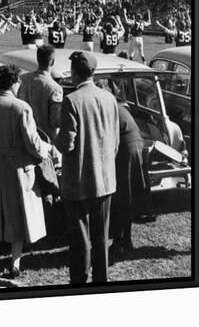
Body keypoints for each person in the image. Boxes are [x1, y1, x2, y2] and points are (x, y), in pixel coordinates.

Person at [0, 64, 52, 278]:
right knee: (17, 214)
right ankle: (15, 263)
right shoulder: (21, 107)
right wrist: (47, 149)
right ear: (13, 83)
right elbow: (33, 143)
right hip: (15, 167)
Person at [55, 51, 119, 284]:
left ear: (74, 73)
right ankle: (101, 279)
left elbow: (67, 143)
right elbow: (115, 141)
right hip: (105, 178)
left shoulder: (72, 100)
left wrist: (55, 138)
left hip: (80, 179)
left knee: (80, 236)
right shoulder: (109, 97)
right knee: (101, 236)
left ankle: (80, 280)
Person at [109, 88, 147, 255]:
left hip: (126, 150)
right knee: (126, 197)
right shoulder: (118, 106)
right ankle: (125, 239)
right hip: (134, 147)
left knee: (121, 198)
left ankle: (120, 241)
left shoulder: (111, 107)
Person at [18, 46, 63, 143]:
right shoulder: (55, 88)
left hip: (24, 139)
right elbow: (56, 121)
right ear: (52, 62)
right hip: (46, 141)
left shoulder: (23, 79)